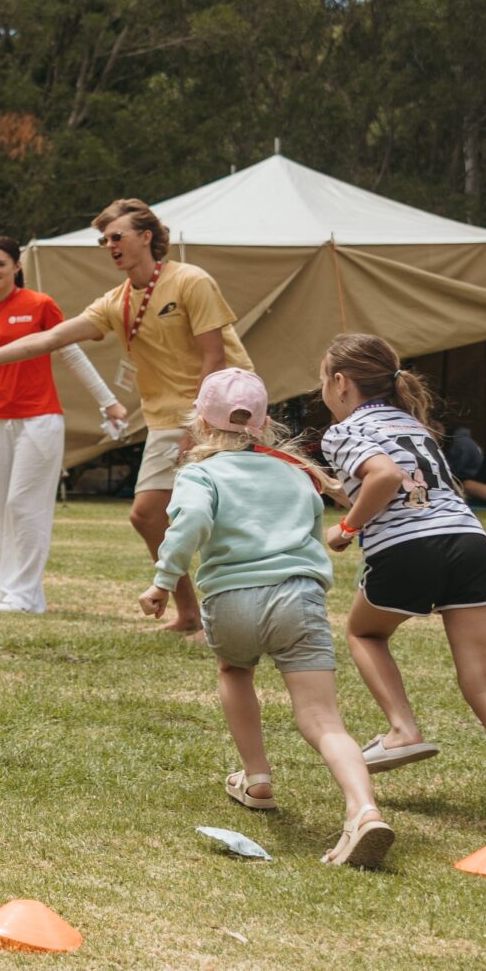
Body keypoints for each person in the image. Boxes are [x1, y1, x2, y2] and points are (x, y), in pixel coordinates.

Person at [0, 198, 248, 634]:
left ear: (146, 237)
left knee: (234, 513)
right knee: (146, 515)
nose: (110, 245)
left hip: (226, 410)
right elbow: (51, 340)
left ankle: (248, 611)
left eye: (117, 236)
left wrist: (200, 424)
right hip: (166, 420)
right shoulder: (116, 301)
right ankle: (189, 615)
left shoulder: (190, 280)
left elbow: (215, 358)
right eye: (104, 240)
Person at [317, 333, 486, 842]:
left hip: (408, 548)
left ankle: (402, 729)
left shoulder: (343, 430)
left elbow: (384, 477)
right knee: (485, 684)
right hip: (468, 541)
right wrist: (340, 491)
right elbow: (409, 483)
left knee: (364, 633)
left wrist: (345, 529)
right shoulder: (413, 424)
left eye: (322, 379)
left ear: (341, 383)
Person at [142, 368, 393, 868]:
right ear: (264, 422)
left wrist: (163, 581)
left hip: (231, 599)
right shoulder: (296, 470)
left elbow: (191, 521)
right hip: (298, 598)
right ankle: (363, 809)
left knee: (235, 670)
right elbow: (324, 522)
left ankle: (257, 778)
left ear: (201, 422)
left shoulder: (200, 473)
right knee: (323, 719)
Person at [0, 234, 121, 613]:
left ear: (17, 267)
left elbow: (72, 355)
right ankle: (4, 589)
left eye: (0, 264)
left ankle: (26, 595)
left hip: (40, 420)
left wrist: (108, 402)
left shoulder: (40, 305)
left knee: (23, 505)